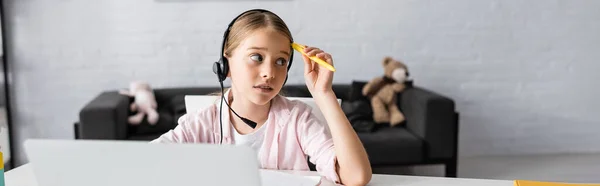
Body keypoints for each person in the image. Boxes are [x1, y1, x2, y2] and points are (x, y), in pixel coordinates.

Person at [151, 9, 372, 186]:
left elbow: (356, 177)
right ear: (225, 65)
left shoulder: (298, 120)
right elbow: (145, 162)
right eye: (256, 57)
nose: (269, 72)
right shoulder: (200, 124)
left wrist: (324, 95)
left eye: (280, 61)